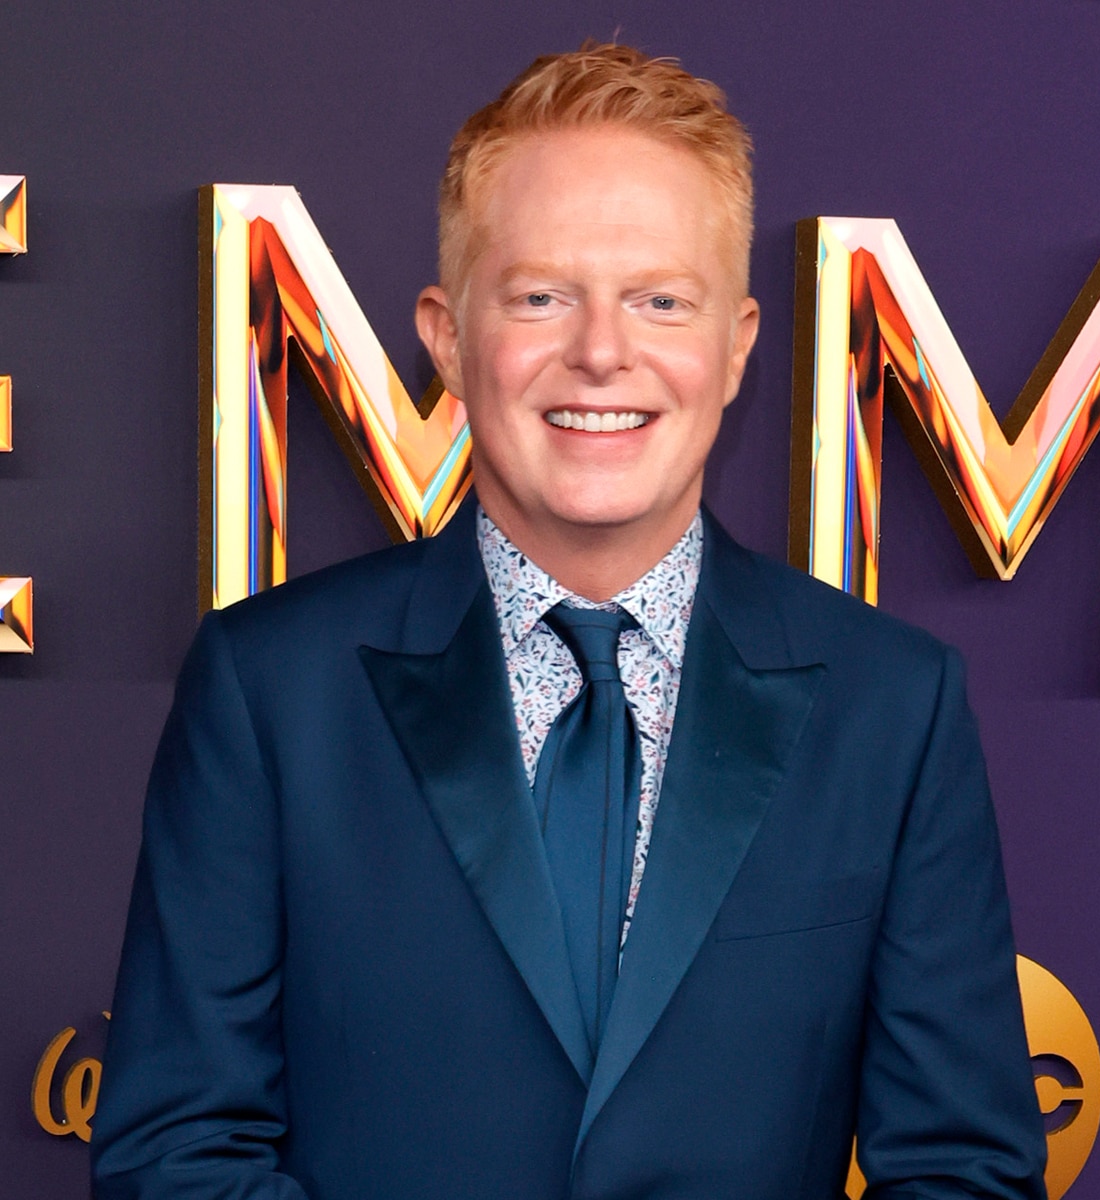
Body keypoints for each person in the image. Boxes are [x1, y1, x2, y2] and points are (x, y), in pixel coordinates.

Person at [91, 43, 1048, 1200]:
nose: (602, 351)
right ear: (447, 337)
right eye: (541, 296)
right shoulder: (267, 690)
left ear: (738, 345)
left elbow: (960, 1170)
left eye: (660, 300)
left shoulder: (893, 705)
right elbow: (177, 1154)